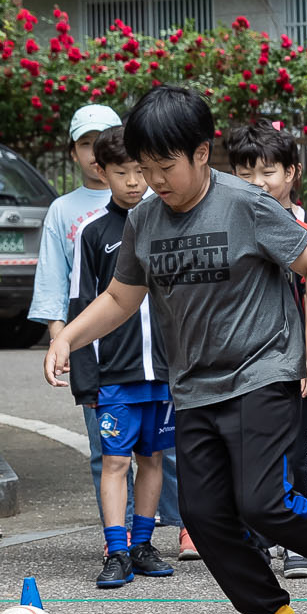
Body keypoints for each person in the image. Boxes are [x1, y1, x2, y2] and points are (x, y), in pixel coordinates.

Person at [47, 84, 307, 614]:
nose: (156, 180)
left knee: (263, 503)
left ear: (200, 154)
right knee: (206, 517)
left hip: (262, 371)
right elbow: (120, 295)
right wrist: (68, 335)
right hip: (192, 387)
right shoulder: (144, 222)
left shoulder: (245, 203)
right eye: (145, 168)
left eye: (166, 166)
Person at [226, 121, 307, 579]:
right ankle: (256, 539)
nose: (257, 183)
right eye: (245, 172)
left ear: (292, 172)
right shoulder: (231, 222)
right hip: (249, 364)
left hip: (301, 366)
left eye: (267, 172)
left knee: (301, 455)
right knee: (249, 456)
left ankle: (304, 541)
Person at [68, 135, 174, 589]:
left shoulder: (171, 223)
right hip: (116, 375)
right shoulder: (92, 233)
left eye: (139, 171)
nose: (133, 182)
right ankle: (116, 550)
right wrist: (85, 380)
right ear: (100, 172)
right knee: (115, 462)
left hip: (167, 373)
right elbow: (80, 307)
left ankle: (143, 545)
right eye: (120, 172)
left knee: (152, 459)